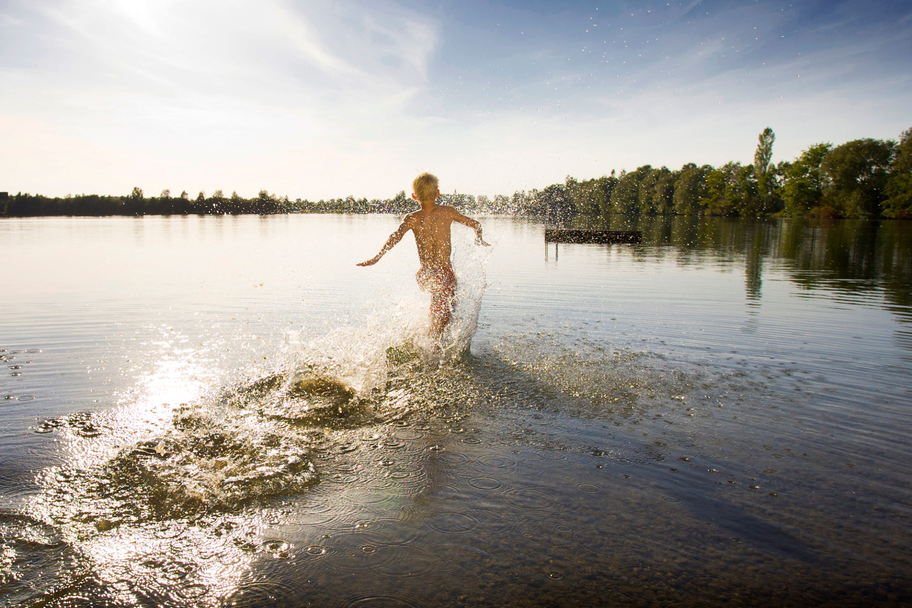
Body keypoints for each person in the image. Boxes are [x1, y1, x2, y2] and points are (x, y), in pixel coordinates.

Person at [358, 172, 489, 341]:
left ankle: (426, 341)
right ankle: (433, 347)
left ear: (414, 196)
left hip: (425, 274)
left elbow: (395, 236)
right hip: (443, 273)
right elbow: (476, 224)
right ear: (437, 193)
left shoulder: (412, 218)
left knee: (438, 309)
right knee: (446, 314)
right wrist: (479, 238)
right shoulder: (447, 212)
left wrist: (377, 257)